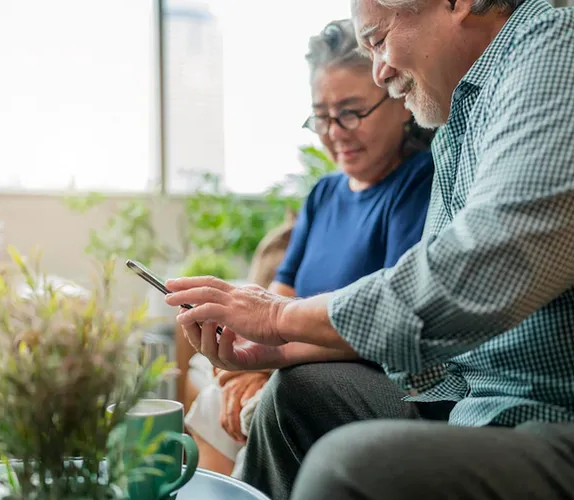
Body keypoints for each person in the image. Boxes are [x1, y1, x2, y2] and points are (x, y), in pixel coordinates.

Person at [166, 0, 574, 498]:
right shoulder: (460, 124)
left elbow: (476, 277)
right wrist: (275, 352)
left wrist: (282, 318)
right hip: (496, 407)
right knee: (297, 397)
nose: (379, 71)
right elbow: (429, 334)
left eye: (379, 39)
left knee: (354, 465)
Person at [182, 18, 439, 478]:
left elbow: (391, 324)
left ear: (399, 100)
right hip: (290, 361)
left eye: (352, 112)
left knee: (276, 397)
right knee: (215, 399)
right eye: (322, 116)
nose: (335, 131)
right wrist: (249, 366)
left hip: (362, 376)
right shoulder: (324, 195)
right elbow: (280, 292)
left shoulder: (420, 185)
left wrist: (270, 362)